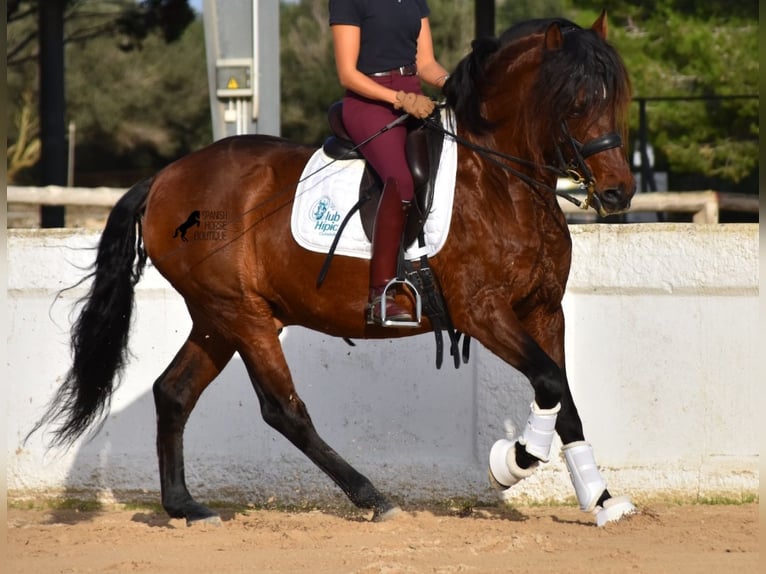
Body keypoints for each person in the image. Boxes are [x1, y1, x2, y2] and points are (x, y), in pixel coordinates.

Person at [329, 0, 450, 326]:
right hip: (369, 102)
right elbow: (347, 73)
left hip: (416, 98)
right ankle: (382, 292)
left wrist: (452, 82)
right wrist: (399, 99)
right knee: (401, 179)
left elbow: (425, 64)